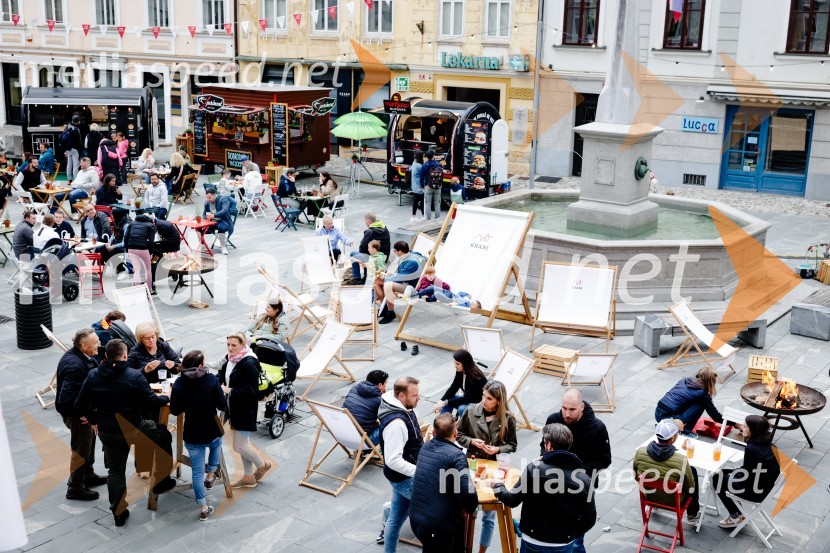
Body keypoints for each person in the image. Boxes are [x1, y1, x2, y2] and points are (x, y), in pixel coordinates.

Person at [74, 339, 174, 527]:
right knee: (162, 434)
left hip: (108, 431)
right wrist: (165, 397)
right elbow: (152, 401)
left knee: (115, 471)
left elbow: (79, 405)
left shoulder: (94, 375)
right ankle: (162, 479)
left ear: (106, 355)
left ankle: (118, 512)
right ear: (125, 355)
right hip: (135, 429)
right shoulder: (133, 376)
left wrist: (94, 420)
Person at [493, 423, 597, 553]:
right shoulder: (583, 479)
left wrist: (497, 484)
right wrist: (571, 534)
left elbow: (511, 500)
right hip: (563, 544)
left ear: (549, 445)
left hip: (533, 540)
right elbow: (589, 518)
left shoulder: (534, 469)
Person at [543, 388, 611, 553]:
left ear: (582, 406)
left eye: (572, 409)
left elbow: (604, 460)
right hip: (553, 484)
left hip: (582, 486)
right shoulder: (553, 420)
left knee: (576, 541)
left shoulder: (597, 428)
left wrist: (575, 469)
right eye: (564, 408)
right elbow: (543, 448)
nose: (566, 413)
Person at [457, 380, 518, 553]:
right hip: (473, 465)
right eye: (484, 396)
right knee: (469, 509)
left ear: (499, 400)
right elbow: (459, 435)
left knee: (489, 516)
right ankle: (466, 548)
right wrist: (471, 441)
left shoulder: (508, 419)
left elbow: (512, 445)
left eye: (489, 398)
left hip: (495, 469)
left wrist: (498, 449)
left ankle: (482, 551)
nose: (484, 400)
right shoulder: (470, 411)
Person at [169, 350, 228, 522]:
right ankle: (211, 474)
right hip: (211, 429)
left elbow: (175, 410)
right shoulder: (210, 380)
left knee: (196, 473)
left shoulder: (179, 383)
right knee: (217, 444)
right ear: (201, 365)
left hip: (192, 433)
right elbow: (222, 405)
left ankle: (203, 508)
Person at [409, 413, 478, 552]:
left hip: (416, 519)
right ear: (456, 434)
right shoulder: (457, 456)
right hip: (438, 524)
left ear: (433, 433)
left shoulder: (425, 447)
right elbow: (468, 490)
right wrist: (470, 508)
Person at [55, 329, 108, 501]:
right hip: (77, 416)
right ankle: (75, 488)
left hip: (85, 412)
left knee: (89, 444)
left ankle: (88, 475)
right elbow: (66, 399)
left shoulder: (81, 356)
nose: (99, 344)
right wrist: (83, 415)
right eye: (96, 342)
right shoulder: (74, 365)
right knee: (81, 450)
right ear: (84, 346)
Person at [218, 333, 271, 488]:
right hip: (234, 407)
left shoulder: (249, 363)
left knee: (239, 446)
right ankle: (248, 477)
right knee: (243, 443)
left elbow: (251, 391)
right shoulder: (232, 358)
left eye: (234, 345)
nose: (230, 348)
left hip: (244, 409)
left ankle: (262, 465)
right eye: (228, 344)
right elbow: (222, 374)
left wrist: (229, 390)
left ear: (243, 344)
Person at [378, 376, 423, 553]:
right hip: (406, 478)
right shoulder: (396, 424)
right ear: (402, 396)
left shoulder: (404, 408)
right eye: (415, 395)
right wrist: (420, 470)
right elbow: (393, 460)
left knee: (395, 520)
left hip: (402, 477)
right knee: (434, 513)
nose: (419, 398)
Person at [714, 415, 781, 529]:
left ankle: (735, 517)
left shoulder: (752, 448)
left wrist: (733, 474)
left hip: (755, 492)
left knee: (716, 478)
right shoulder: (769, 445)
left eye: (745, 426)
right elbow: (751, 470)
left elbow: (746, 475)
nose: (741, 428)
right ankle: (738, 514)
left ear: (753, 430)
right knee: (723, 473)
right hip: (765, 487)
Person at [633, 419, 701, 526]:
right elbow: (690, 488)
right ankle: (692, 515)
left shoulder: (640, 452)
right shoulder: (681, 460)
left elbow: (637, 477)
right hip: (674, 501)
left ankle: (655, 506)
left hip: (649, 497)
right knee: (692, 472)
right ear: (672, 438)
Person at [655, 367, 723, 435]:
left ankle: (678, 425)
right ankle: (686, 432)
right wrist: (731, 423)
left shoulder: (685, 380)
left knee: (695, 401)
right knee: (701, 404)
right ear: (711, 382)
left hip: (658, 413)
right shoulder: (702, 393)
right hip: (670, 420)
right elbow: (715, 415)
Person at [377, 241, 425, 325]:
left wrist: (385, 277)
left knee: (387, 284)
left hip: (410, 287)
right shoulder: (409, 254)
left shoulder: (411, 262)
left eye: (395, 251)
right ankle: (384, 307)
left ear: (400, 251)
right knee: (376, 281)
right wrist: (386, 274)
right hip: (404, 282)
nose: (394, 253)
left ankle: (391, 312)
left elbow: (400, 278)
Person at [433, 349, 487, 417]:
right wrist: (441, 401)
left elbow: (467, 398)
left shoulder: (476, 377)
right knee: (448, 399)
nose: (455, 366)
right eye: (455, 363)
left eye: (457, 364)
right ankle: (443, 423)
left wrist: (445, 403)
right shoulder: (460, 371)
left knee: (462, 409)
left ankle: (462, 427)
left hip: (478, 403)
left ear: (465, 363)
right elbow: (454, 387)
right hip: (468, 399)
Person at [343, 370, 389, 445]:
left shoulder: (355, 388)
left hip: (343, 434)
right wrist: (385, 396)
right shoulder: (380, 399)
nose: (385, 387)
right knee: (391, 424)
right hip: (362, 441)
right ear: (380, 385)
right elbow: (387, 418)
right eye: (385, 384)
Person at [349, 212, 391, 284]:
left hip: (374, 257)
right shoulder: (384, 227)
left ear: (369, 221)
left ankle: (357, 280)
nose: (365, 223)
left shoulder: (370, 231)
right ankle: (365, 276)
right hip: (384, 257)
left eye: (365, 221)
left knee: (353, 254)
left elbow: (361, 248)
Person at [123, 213, 155, 287]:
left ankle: (136, 289)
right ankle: (149, 290)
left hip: (131, 247)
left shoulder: (132, 223)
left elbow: (126, 237)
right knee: (148, 269)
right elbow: (151, 241)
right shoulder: (150, 225)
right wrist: (150, 252)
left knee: (137, 270)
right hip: (143, 248)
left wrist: (127, 249)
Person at [204, 186, 234, 255]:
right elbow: (205, 213)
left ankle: (223, 246)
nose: (208, 199)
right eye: (207, 197)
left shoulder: (223, 200)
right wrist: (204, 219)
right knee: (198, 227)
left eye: (209, 197)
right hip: (211, 221)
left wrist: (214, 215)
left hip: (223, 221)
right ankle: (202, 245)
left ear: (214, 195)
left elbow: (224, 210)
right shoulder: (207, 202)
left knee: (222, 227)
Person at [420, 150, 443, 221]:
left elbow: (421, 177)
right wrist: (440, 184)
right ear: (434, 156)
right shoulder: (439, 165)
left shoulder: (424, 166)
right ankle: (437, 218)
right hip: (438, 186)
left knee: (428, 203)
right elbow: (442, 175)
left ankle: (428, 219)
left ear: (427, 157)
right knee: (437, 203)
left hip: (428, 185)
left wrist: (422, 185)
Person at [63, 115, 83, 181]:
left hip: (68, 148)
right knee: (75, 165)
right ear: (78, 121)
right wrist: (80, 149)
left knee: (69, 164)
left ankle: (69, 179)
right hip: (75, 149)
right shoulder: (76, 129)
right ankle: (76, 180)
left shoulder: (67, 127)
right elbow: (79, 141)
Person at [409, 151, 425, 222]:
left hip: (414, 186)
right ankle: (423, 216)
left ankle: (413, 216)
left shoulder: (414, 163)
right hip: (420, 187)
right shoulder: (419, 166)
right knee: (422, 202)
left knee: (415, 202)